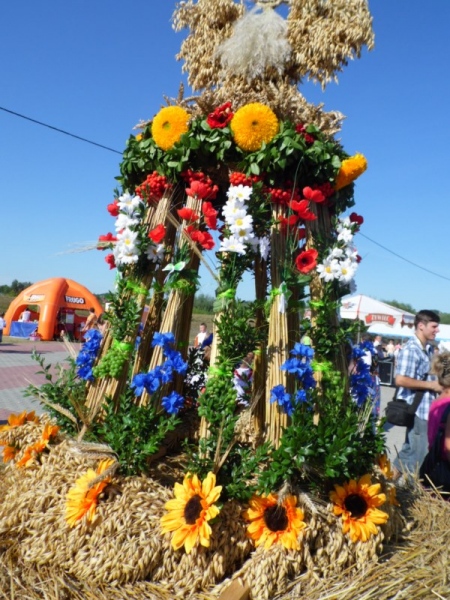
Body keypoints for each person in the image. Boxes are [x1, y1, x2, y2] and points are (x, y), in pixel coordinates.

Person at [393, 310, 442, 478]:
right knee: (419, 457)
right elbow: (400, 380)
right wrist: (431, 385)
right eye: (434, 326)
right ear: (421, 325)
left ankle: (385, 487)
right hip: (418, 411)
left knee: (408, 452)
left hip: (424, 410)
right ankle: (414, 490)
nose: (437, 330)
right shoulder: (411, 349)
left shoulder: (426, 349)